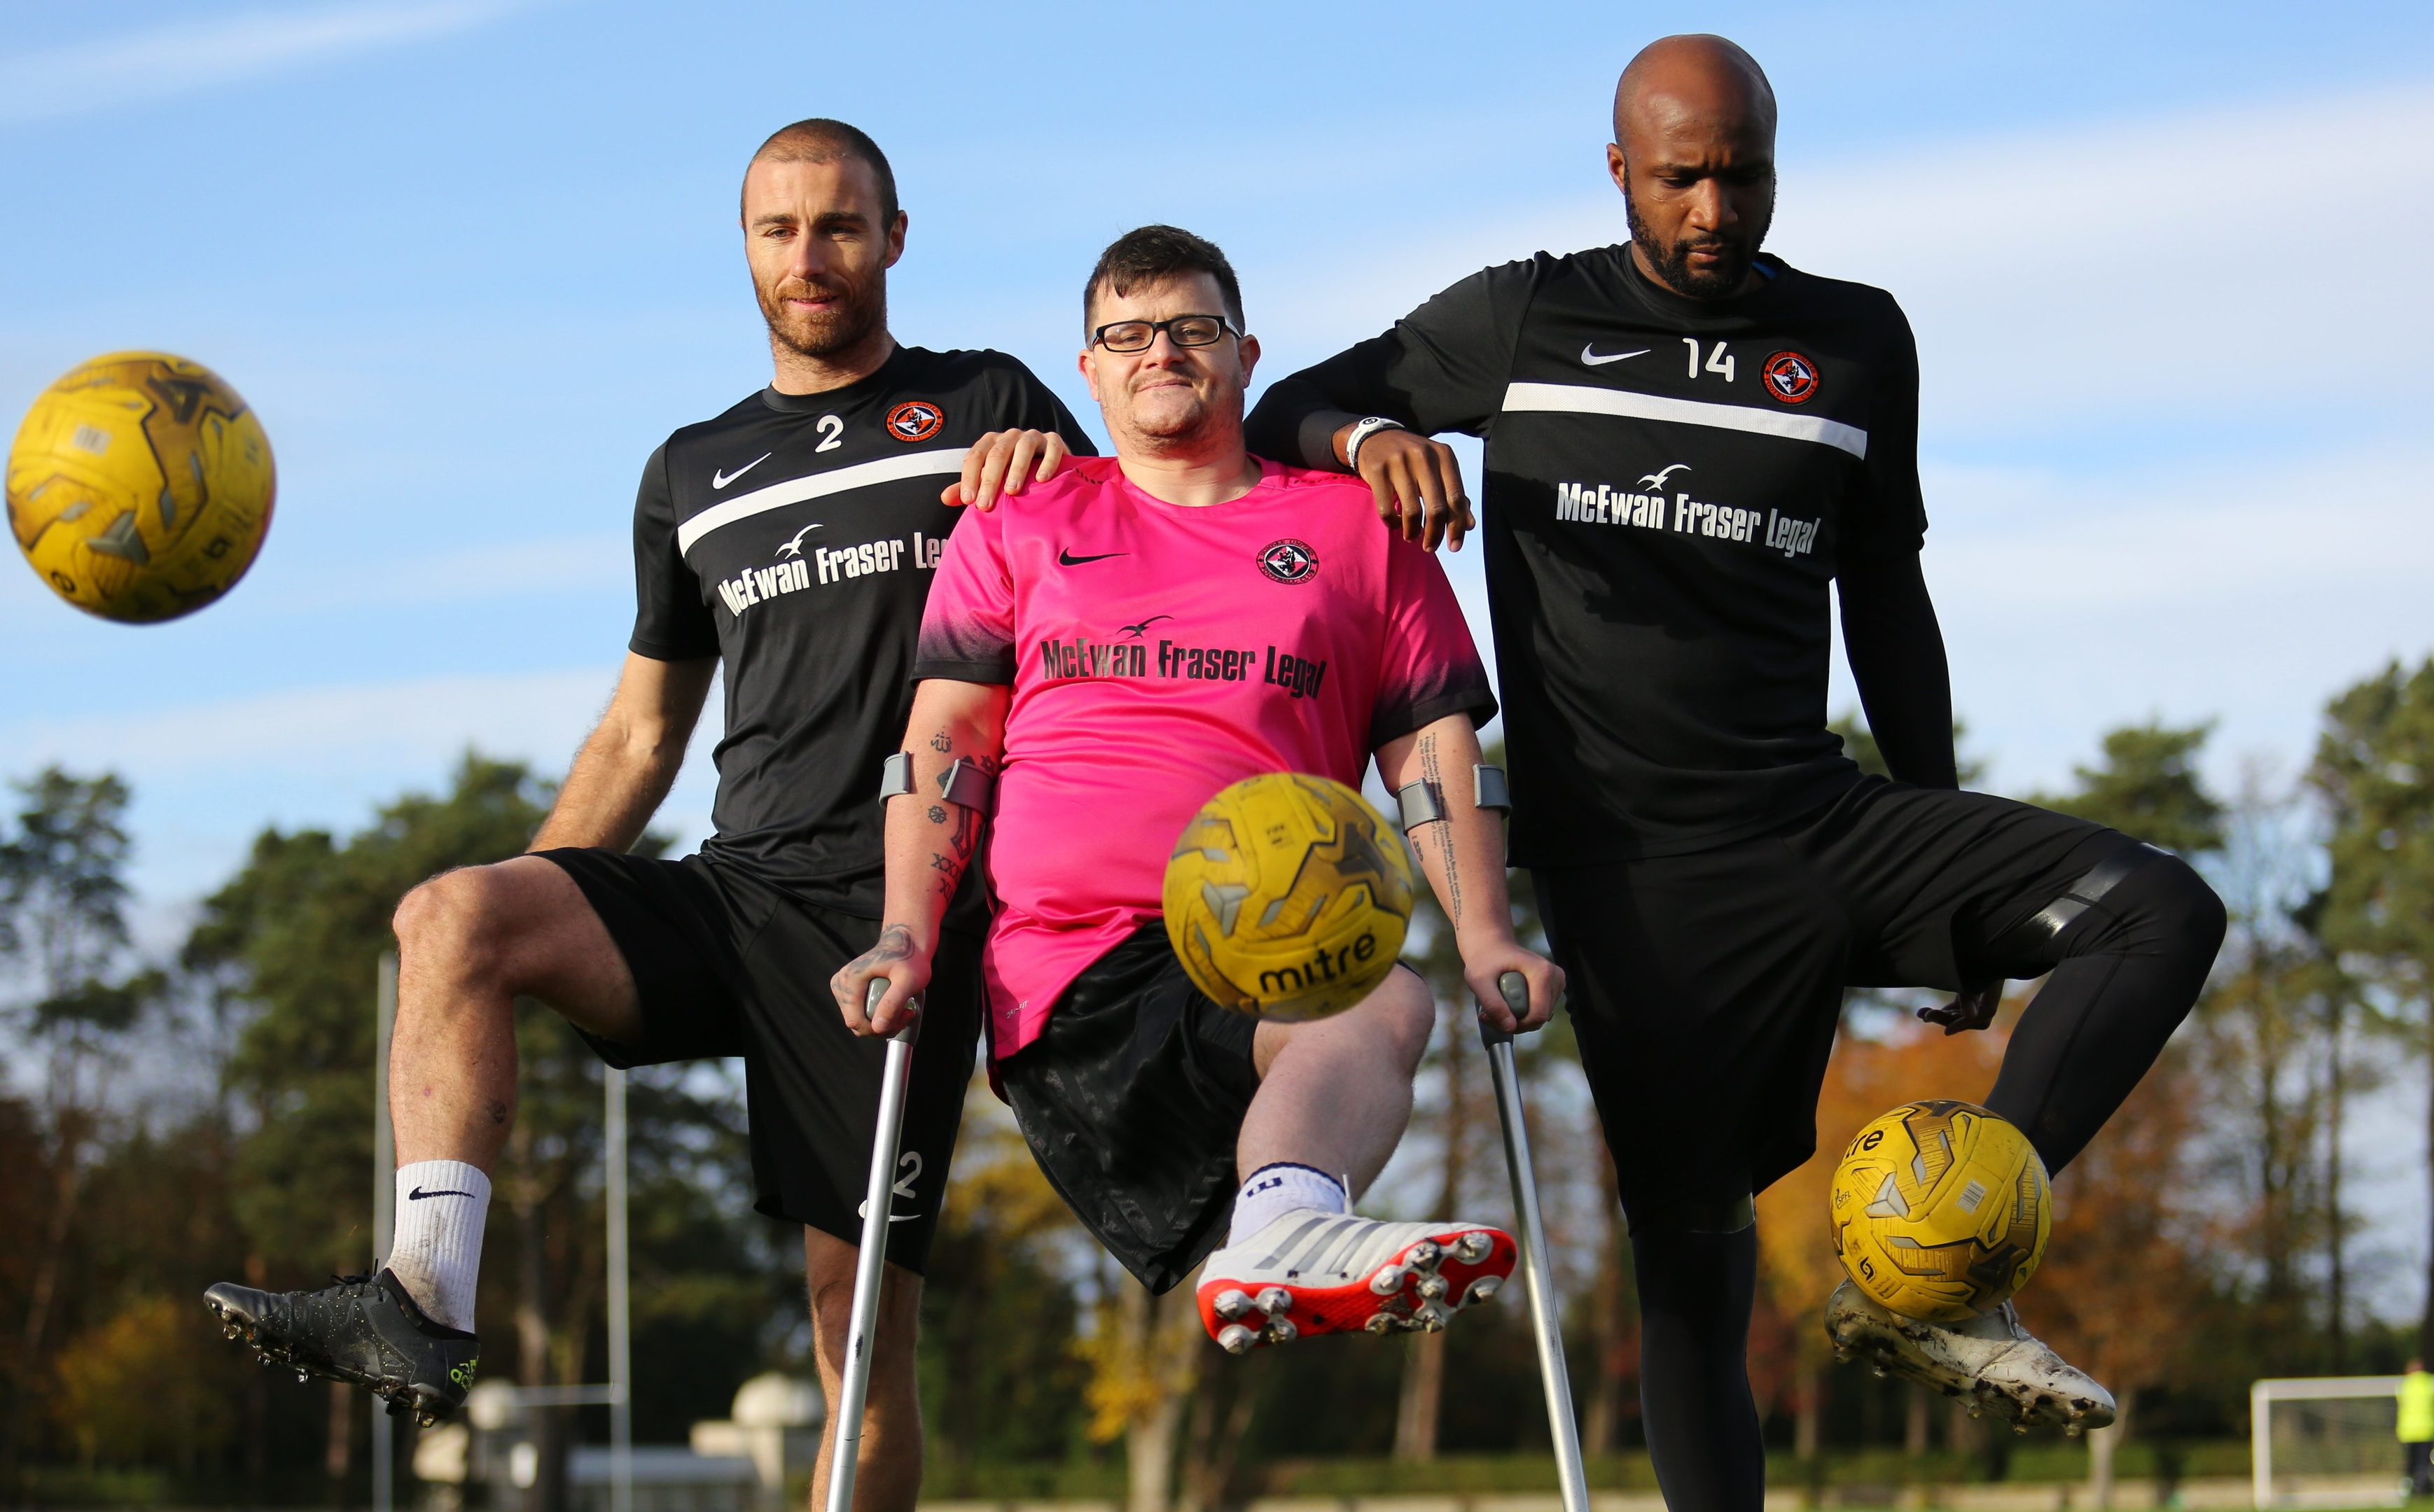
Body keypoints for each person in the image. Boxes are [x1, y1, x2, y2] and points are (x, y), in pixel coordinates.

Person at [1229, 34, 2226, 1512]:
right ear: (1620, 169)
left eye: (1740, 173)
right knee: (1693, 1263)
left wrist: (1936, 808)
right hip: (1634, 873)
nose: (1712, 208)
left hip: (1817, 817)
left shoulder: (1855, 339)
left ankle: (1937, 1260)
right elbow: (1282, 410)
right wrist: (1376, 431)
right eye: (1680, 176)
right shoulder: (1523, 317)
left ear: (1774, 163)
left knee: (2158, 911)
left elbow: (1885, 598)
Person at [203, 119, 1092, 1511]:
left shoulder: (991, 403)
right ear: (744, 247)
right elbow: (637, 733)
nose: (811, 256)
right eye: (780, 229)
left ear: (895, 239)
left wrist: (1059, 477)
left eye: (841, 225)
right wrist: (541, 912)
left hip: (899, 920)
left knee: (852, 1339)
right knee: (453, 917)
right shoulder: (691, 470)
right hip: (733, 892)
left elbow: (1120, 597)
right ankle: (423, 1304)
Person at [830, 225, 1564, 1351]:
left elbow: (1431, 751)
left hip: (1279, 936)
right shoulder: (1020, 515)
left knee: (1392, 1000)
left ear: (1247, 353)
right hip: (1074, 970)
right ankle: (1291, 1232)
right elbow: (947, 746)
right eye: (1125, 334)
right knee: (1376, 1007)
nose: (1159, 351)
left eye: (1192, 328)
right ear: (1089, 368)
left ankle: (1283, 1229)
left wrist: (1485, 936)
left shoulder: (1359, 528)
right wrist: (903, 937)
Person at [2402, 1359, 2434, 1499]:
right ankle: (2421, 1489)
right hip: (2426, 1430)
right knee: (2423, 1464)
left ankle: (2412, 1489)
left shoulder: (2405, 1385)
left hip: (2407, 1432)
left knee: (2411, 1464)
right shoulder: (2430, 1383)